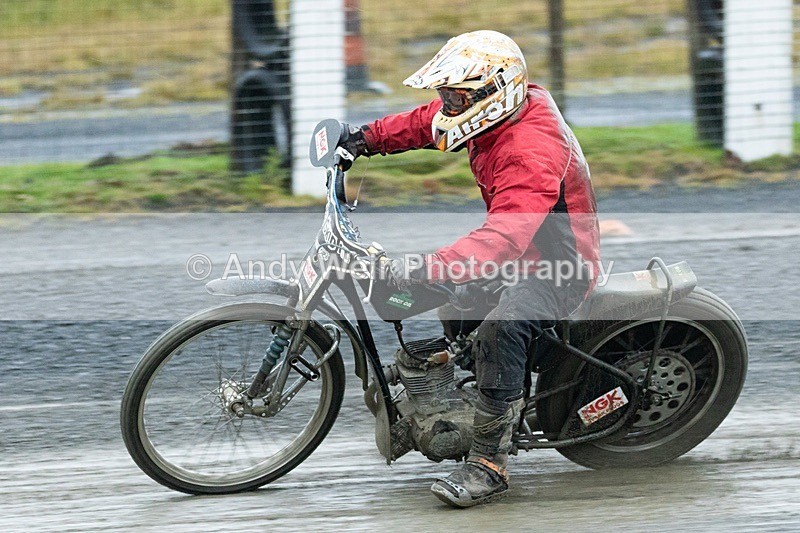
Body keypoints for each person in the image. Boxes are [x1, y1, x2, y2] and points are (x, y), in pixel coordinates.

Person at [337, 30, 600, 508]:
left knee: (500, 329)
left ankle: (490, 464)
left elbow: (502, 241)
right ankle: (452, 378)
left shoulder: (528, 151)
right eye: (447, 95)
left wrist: (427, 267)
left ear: (494, 91)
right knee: (450, 300)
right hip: (521, 253)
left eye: (456, 97)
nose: (448, 106)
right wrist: (364, 139)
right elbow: (427, 123)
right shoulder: (493, 113)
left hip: (559, 267)